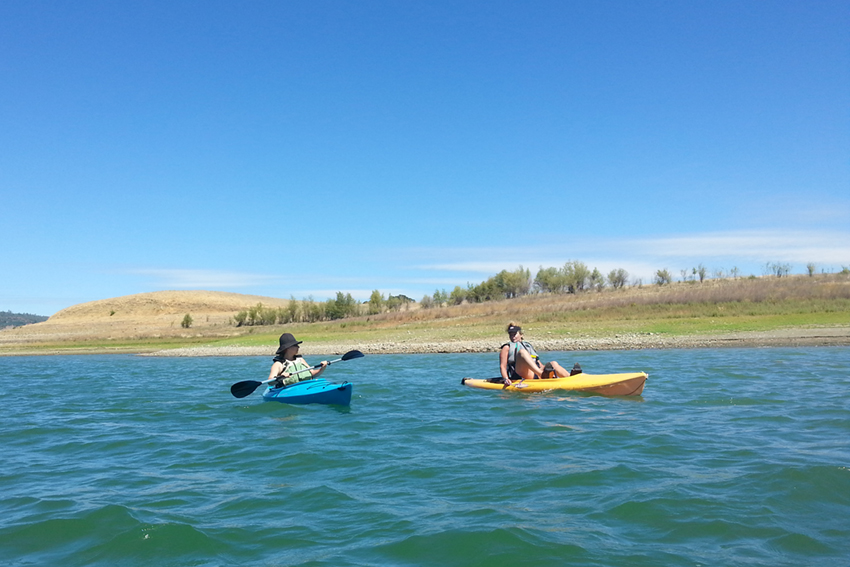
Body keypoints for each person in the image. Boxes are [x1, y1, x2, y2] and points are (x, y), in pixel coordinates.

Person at [499, 322, 576, 386]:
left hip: (535, 373)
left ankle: (572, 378)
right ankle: (541, 374)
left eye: (514, 334)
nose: (512, 337)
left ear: (521, 334)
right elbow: (502, 366)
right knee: (522, 352)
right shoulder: (507, 347)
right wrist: (506, 378)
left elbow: (538, 363)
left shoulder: (528, 346)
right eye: (510, 335)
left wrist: (548, 371)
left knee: (553, 364)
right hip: (521, 374)